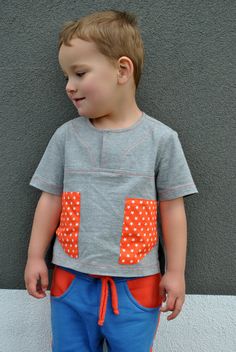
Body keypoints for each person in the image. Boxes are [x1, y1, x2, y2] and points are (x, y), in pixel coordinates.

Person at [24, 9, 199, 352]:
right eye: (66, 75)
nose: (69, 86)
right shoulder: (66, 137)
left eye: (79, 73)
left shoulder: (160, 140)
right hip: (70, 284)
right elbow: (50, 198)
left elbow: (173, 210)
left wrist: (175, 272)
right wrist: (34, 256)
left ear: (122, 70)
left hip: (135, 290)